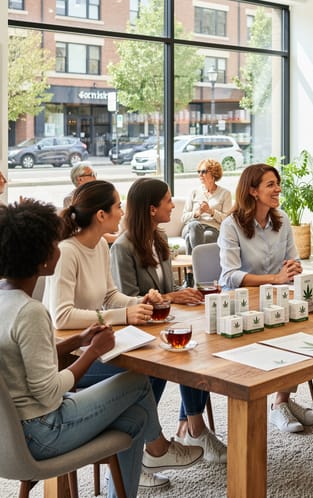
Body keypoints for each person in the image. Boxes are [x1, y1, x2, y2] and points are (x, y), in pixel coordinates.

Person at [0, 200, 164, 498]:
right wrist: (92, 352)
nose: (59, 248)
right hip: (40, 432)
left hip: (0, 429)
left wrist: (78, 341)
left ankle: (151, 456)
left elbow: (20, 359)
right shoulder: (30, 312)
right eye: (54, 243)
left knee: (137, 418)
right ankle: (160, 448)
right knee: (137, 381)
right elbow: (49, 393)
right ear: (39, 258)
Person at [45, 179, 203, 490]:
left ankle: (145, 454)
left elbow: (110, 295)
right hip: (68, 355)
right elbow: (61, 316)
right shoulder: (68, 252)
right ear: (101, 215)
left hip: (93, 343)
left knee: (156, 361)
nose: (123, 212)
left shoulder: (100, 247)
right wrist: (122, 315)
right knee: (142, 374)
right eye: (118, 206)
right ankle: (156, 447)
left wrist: (141, 302)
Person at [110, 177, 227, 463]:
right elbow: (130, 300)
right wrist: (172, 297)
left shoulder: (158, 239)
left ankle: (193, 428)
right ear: (152, 209)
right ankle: (159, 441)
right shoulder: (123, 248)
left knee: (200, 349)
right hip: (139, 333)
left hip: (163, 325)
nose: (173, 205)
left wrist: (182, 293)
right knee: (180, 357)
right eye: (168, 200)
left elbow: (164, 289)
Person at [218, 163, 313, 434]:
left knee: (303, 328)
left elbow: (294, 260)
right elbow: (230, 276)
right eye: (270, 185)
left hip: (276, 297)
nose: (278, 189)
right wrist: (275, 278)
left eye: (278, 183)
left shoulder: (281, 220)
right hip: (241, 303)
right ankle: (275, 405)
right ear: (252, 191)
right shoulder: (231, 225)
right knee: (282, 332)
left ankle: (281, 401)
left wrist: (293, 268)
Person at [181, 158, 232, 253]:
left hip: (213, 228)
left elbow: (227, 220)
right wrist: (197, 213)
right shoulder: (194, 192)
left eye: (203, 171)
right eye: (199, 171)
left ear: (214, 174)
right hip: (191, 226)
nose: (200, 174)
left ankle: (192, 262)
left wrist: (211, 211)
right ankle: (200, 261)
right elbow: (183, 218)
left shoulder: (225, 194)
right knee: (194, 226)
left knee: (190, 238)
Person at [64, 163, 118, 244]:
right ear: (80, 179)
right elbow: (86, 231)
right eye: (92, 175)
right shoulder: (70, 199)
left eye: (95, 174)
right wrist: (118, 238)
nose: (95, 178)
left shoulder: (96, 195)